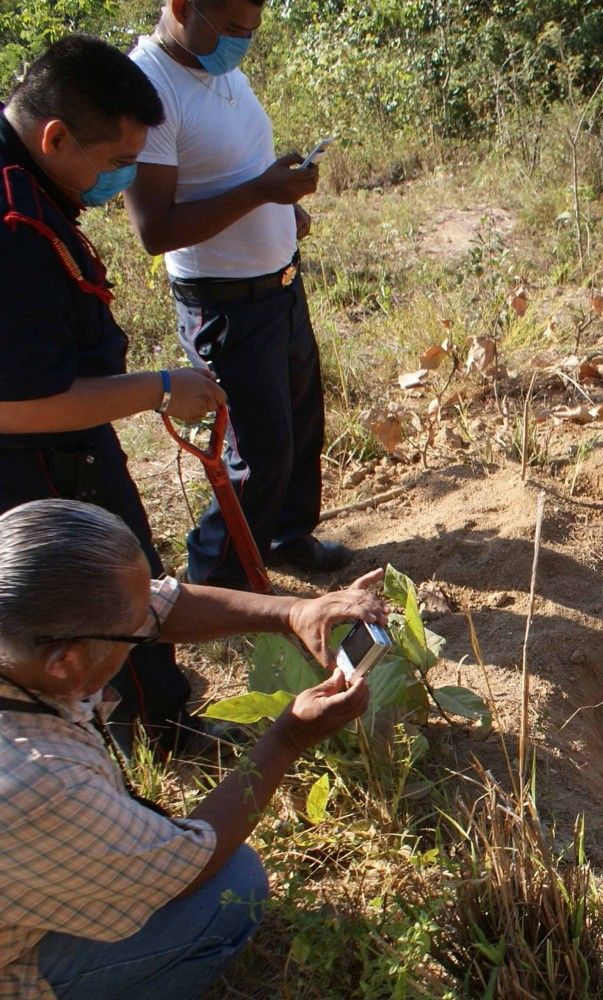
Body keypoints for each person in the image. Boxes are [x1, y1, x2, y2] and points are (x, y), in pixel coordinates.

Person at [0, 498, 384, 1000]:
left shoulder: (25, 627)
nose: (145, 629)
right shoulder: (40, 777)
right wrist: (289, 737)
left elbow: (160, 606)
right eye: (131, 633)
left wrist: (295, 611)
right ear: (65, 663)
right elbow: (185, 870)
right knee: (230, 890)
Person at [0, 34, 228, 755]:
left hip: (60, 453)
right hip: (38, 468)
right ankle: (148, 738)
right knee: (102, 597)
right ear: (56, 135)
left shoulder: (28, 177)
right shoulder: (13, 232)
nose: (124, 180)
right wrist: (159, 389)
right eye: (115, 164)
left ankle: (150, 717)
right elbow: (17, 404)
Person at [126, 0, 352, 589]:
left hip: (279, 283)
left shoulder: (220, 66)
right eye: (230, 29)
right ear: (181, 7)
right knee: (260, 448)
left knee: (300, 424)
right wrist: (262, 192)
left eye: (250, 31)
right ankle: (213, 581)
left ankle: (283, 538)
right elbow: (156, 229)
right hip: (224, 303)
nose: (240, 43)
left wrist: (285, 205)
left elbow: (237, 166)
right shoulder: (149, 87)